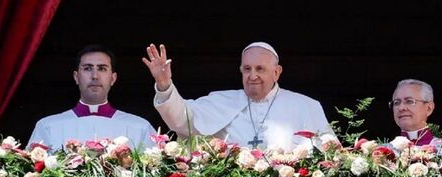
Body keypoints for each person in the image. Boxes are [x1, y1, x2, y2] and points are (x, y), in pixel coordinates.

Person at [141, 42, 333, 150]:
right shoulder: (222, 101)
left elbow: (330, 154)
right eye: (247, 69)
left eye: (260, 69)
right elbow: (182, 120)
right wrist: (164, 84)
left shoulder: (306, 106)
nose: (252, 76)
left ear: (276, 72)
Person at [27, 44, 157, 151]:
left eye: (102, 68)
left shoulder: (140, 127)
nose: (95, 76)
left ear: (113, 78)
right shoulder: (47, 127)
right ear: (76, 77)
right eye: (88, 68)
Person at [389, 78, 442, 153]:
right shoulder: (381, 155)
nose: (401, 108)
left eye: (409, 101)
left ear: (429, 108)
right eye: (396, 102)